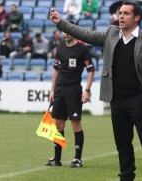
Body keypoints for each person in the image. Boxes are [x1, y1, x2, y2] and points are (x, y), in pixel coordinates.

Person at [50, 1, 142, 180]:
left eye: (126, 13)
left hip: (139, 100)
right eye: (120, 13)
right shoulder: (111, 34)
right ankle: (126, 176)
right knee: (122, 144)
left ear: (136, 17)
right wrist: (61, 22)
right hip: (117, 100)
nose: (121, 16)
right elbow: (85, 34)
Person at [45, 21, 95, 168]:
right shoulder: (60, 48)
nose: (65, 33)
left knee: (75, 124)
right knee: (58, 124)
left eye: (67, 31)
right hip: (60, 90)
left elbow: (91, 71)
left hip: (74, 90)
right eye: (63, 31)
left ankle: (77, 159)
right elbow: (55, 69)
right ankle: (57, 159)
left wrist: (87, 90)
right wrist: (52, 90)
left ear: (74, 31)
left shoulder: (83, 49)